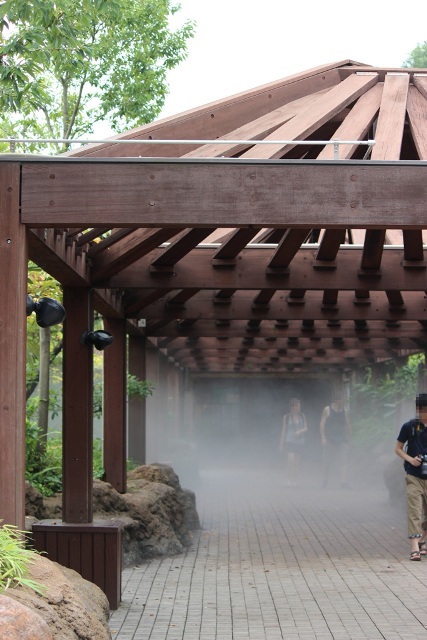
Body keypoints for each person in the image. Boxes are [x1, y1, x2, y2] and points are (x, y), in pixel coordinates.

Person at [395, 393, 427, 561]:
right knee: (414, 511)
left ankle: (423, 540)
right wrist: (410, 459)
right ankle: (414, 547)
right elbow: (398, 448)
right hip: (413, 476)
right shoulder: (409, 427)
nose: (423, 413)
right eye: (422, 410)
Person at [320, 391, 352, 489]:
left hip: (341, 439)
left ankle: (343, 482)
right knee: (327, 461)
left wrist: (350, 439)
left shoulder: (344, 411)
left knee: (343, 460)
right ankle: (325, 480)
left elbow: (348, 425)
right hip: (329, 439)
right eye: (338, 401)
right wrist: (323, 437)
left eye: (341, 401)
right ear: (335, 401)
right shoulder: (327, 410)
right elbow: (322, 423)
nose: (340, 403)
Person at [279, 397, 308, 486]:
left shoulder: (302, 416)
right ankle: (288, 478)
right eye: (298, 406)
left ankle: (295, 479)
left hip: (299, 441)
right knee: (291, 460)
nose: (299, 408)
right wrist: (281, 444)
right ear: (293, 407)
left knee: (297, 462)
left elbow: (306, 428)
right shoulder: (286, 417)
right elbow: (284, 430)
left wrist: (300, 431)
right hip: (289, 441)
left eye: (299, 406)